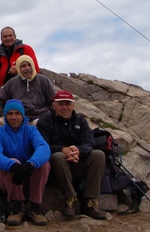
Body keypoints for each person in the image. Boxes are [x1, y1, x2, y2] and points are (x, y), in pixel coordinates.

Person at [36, 90, 107, 219]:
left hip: (77, 162)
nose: (64, 108)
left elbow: (90, 142)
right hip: (56, 168)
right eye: (60, 104)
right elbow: (42, 145)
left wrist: (78, 150)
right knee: (58, 156)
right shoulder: (45, 121)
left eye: (68, 104)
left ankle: (90, 201)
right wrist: (62, 149)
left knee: (98, 155)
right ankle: (70, 199)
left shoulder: (80, 121)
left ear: (73, 106)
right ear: (54, 106)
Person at [0, 99, 51, 227]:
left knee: (43, 163)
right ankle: (16, 206)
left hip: (27, 175)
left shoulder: (31, 130)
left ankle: (35, 206)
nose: (13, 117)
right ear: (5, 116)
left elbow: (43, 147)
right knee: (13, 161)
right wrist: (13, 166)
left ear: (22, 115)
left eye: (17, 113)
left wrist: (31, 164)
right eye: (10, 114)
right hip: (5, 178)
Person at [0, 55, 55, 128]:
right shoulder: (12, 82)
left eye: (29, 65)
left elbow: (53, 101)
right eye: (23, 66)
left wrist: (50, 115)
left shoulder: (43, 80)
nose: (27, 68)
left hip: (39, 118)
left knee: (42, 123)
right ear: (18, 68)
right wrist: (5, 115)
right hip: (18, 119)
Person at [0, 27, 40, 110]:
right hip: (4, 88)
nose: (8, 38)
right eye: (5, 36)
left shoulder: (26, 49)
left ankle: (13, 108)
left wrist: (19, 69)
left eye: (10, 35)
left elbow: (35, 68)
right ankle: (10, 110)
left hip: (25, 86)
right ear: (1, 38)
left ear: (15, 36)